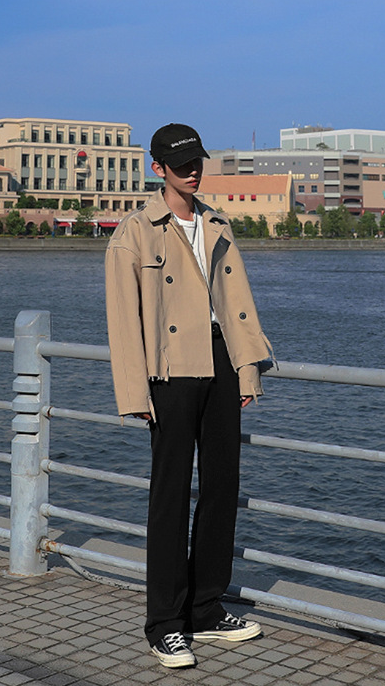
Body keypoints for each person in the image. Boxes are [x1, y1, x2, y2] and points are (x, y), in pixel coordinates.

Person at [105, 122, 273, 669]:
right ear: (158, 169)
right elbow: (123, 322)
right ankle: (164, 623)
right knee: (170, 495)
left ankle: (206, 608)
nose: (192, 172)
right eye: (181, 165)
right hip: (170, 371)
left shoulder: (217, 223)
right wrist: (134, 391)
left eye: (196, 162)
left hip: (220, 362)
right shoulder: (135, 232)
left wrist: (247, 371)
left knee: (222, 487)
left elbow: (238, 305)